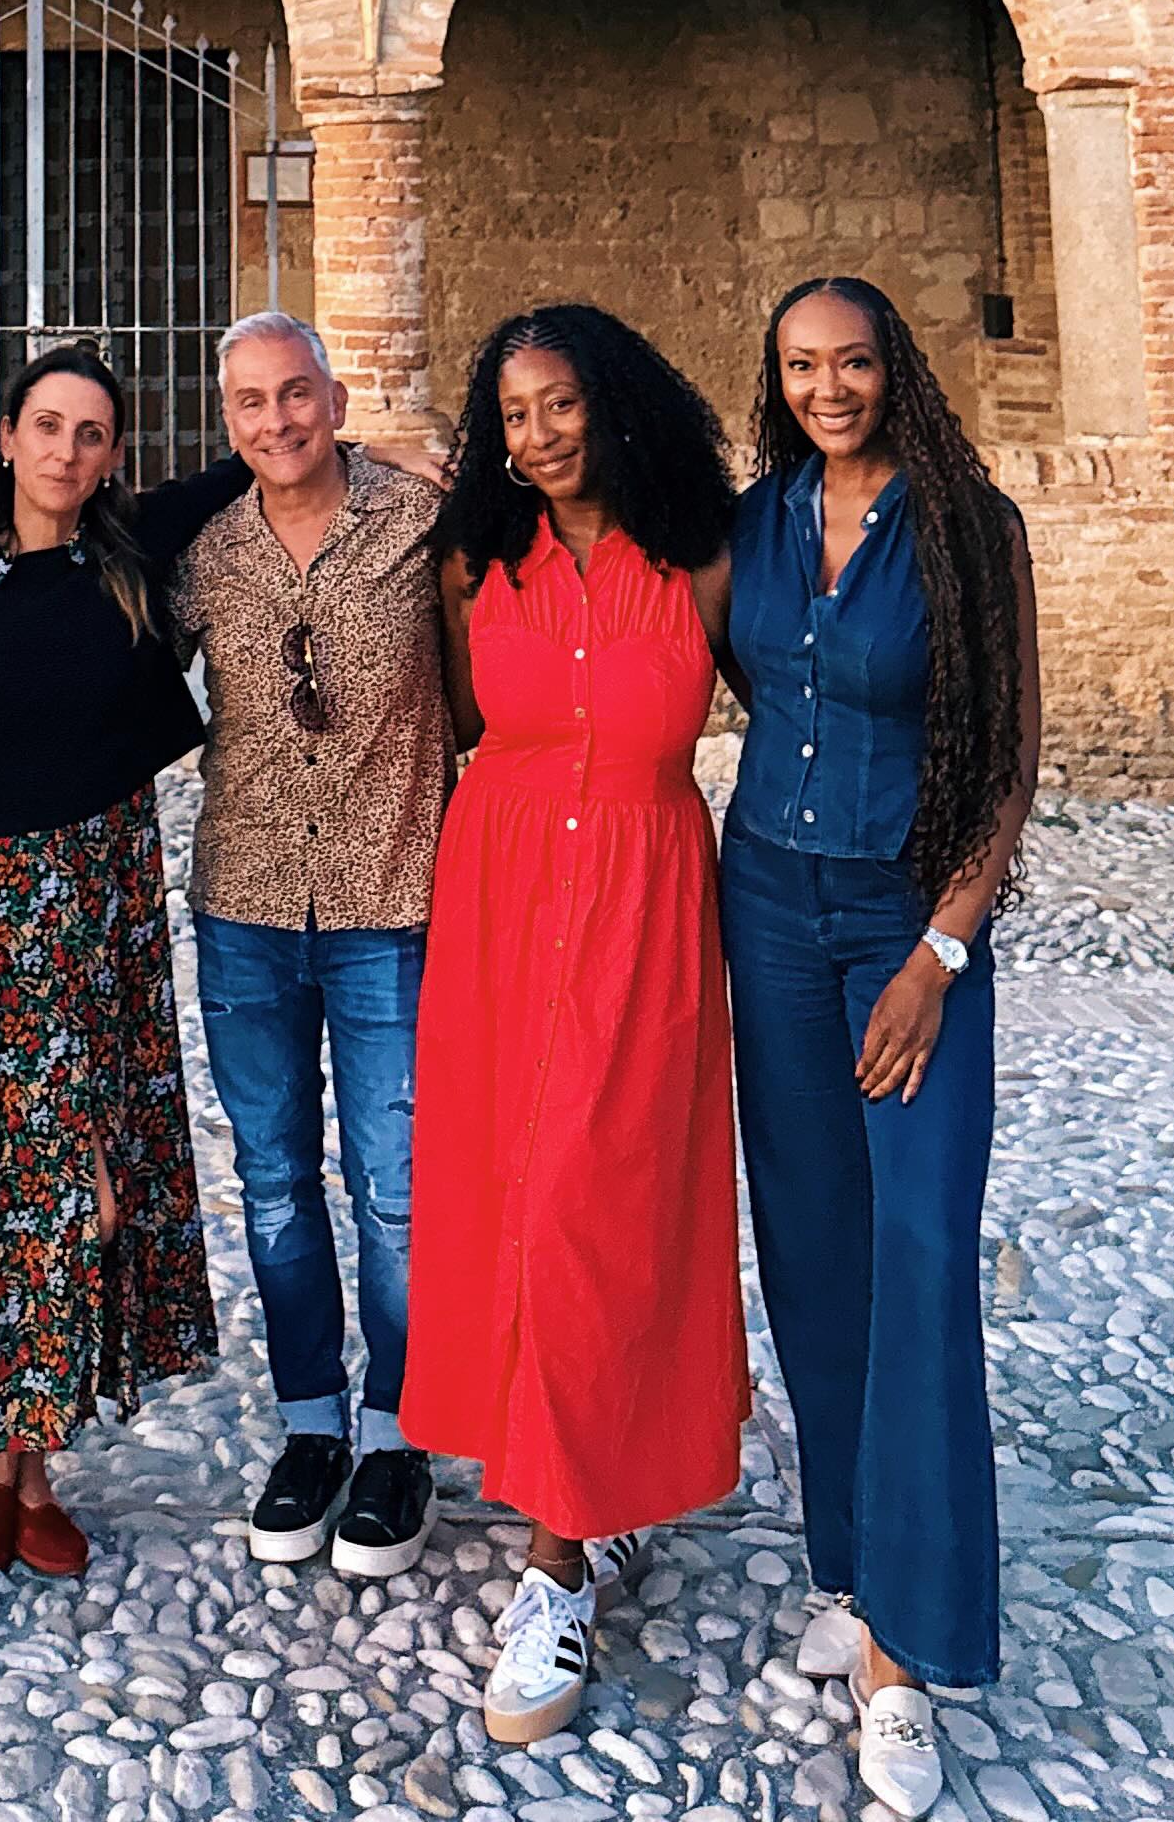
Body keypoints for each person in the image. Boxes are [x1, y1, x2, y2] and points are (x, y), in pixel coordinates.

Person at [716, 276, 1040, 1822]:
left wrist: (940, 951)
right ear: (774, 380)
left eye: (850, 363)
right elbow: (751, 681)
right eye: (801, 367)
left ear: (890, 367)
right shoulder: (763, 519)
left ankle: (907, 1656)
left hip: (906, 930)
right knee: (814, 1251)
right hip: (766, 908)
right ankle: (847, 1568)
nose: (828, 387)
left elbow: (1006, 767)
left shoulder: (973, 531)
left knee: (917, 1254)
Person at [401, 305, 747, 1746]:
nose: (538, 438)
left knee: (608, 1204)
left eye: (560, 406)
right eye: (514, 415)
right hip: (501, 904)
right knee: (518, 1202)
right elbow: (435, 726)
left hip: (651, 908)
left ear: (616, 402)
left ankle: (572, 1532)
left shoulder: (707, 561)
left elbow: (801, 719)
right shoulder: (477, 561)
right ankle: (556, 1529)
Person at [0, 345, 235, 1574]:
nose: (68, 452)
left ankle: (35, 1452)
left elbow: (257, 468)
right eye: (49, 427)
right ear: (6, 433)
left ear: (115, 454)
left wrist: (379, 446)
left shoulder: (126, 552)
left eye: (93, 434)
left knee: (92, 1177)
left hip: (103, 891)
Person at [167, 310, 450, 1580]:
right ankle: (310, 1427)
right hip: (246, 908)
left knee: (394, 1188)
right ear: (223, 421)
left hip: (392, 899)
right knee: (275, 1184)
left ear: (334, 399)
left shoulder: (418, 521)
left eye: (296, 395)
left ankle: (400, 1434)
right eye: (248, 403)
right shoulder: (206, 556)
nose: (276, 422)